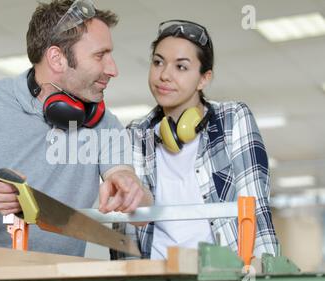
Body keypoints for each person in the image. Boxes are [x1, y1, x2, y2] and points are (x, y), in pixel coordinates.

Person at [0, 0, 152, 265]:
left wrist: (130, 186)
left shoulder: (103, 122)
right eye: (100, 55)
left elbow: (135, 197)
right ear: (57, 58)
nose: (113, 69)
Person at [112, 19, 279, 260]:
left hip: (221, 277)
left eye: (181, 67)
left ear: (204, 78)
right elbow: (126, 227)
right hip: (157, 279)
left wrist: (264, 278)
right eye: (158, 62)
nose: (164, 75)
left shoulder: (232, 119)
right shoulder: (136, 134)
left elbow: (255, 208)